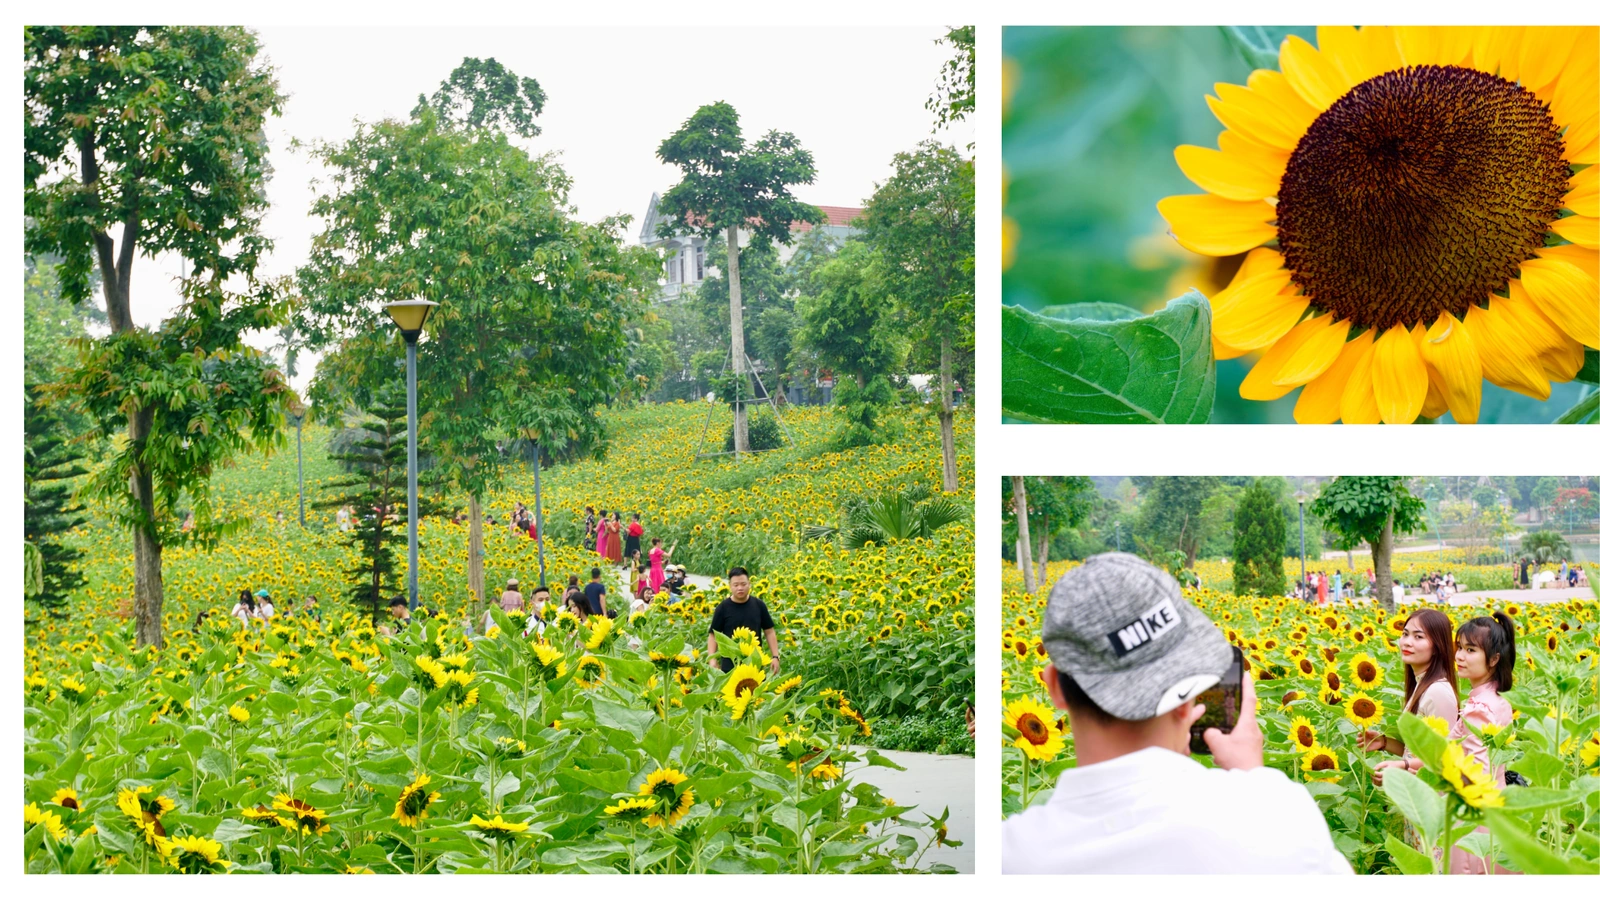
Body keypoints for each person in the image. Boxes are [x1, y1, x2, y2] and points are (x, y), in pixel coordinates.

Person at [1000, 552, 1352, 874]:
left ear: (1055, 687)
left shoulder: (1009, 858)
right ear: (1189, 684)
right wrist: (1254, 777)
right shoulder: (1282, 822)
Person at [1449, 612, 1518, 874]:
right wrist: (1408, 764)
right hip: (1498, 810)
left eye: (1470, 649)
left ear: (1493, 659)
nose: (1459, 656)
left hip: (1474, 814)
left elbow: (1476, 773)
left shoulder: (1479, 708)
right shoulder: (1498, 701)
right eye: (1459, 648)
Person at [1360, 608, 1460, 785]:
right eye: (1405, 634)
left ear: (1438, 647)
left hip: (1434, 802)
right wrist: (1384, 743)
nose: (1407, 642)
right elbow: (1419, 753)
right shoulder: (1422, 684)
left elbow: (1446, 757)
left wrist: (1402, 767)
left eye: (1418, 637)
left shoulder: (1438, 692)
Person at [707, 567, 780, 676]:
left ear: (749, 584)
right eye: (736, 585)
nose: (740, 588)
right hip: (730, 664)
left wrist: (775, 656)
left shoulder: (759, 605)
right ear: (730, 586)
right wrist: (712, 659)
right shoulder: (722, 608)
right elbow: (713, 635)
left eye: (743, 584)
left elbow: (769, 631)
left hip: (754, 662)